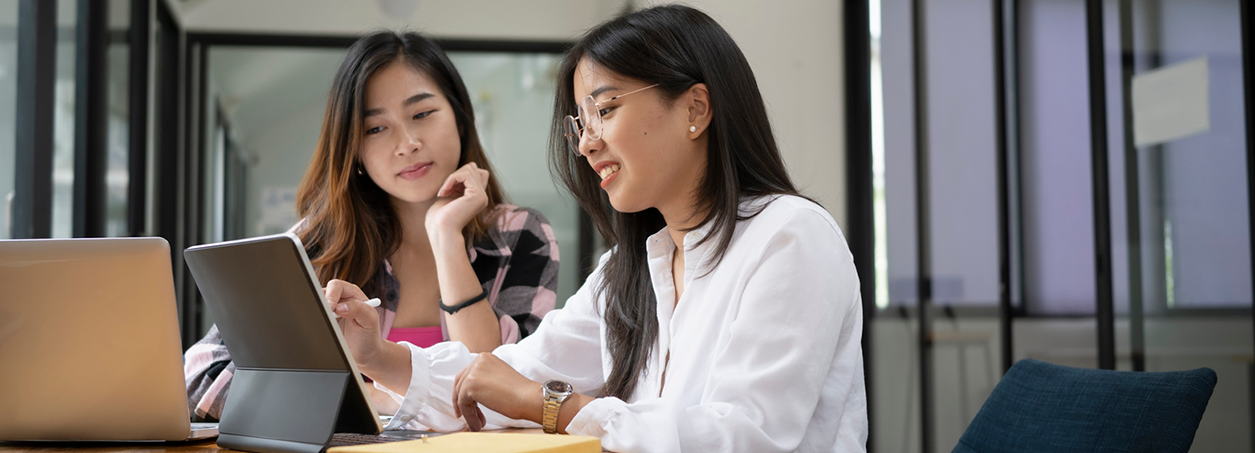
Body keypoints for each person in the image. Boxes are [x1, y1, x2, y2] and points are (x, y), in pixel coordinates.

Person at [325, 5, 866, 452]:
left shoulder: (790, 237)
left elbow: (747, 437)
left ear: (696, 108)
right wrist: (376, 354)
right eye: (580, 122)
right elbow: (503, 375)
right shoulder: (629, 268)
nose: (586, 143)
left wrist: (554, 406)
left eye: (605, 110)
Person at [184, 31, 560, 422]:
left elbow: (506, 392)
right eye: (375, 129)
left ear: (461, 118)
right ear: (355, 150)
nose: (407, 143)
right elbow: (199, 377)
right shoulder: (318, 243)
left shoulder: (522, 235)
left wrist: (446, 236)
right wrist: (373, 400)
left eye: (422, 114)